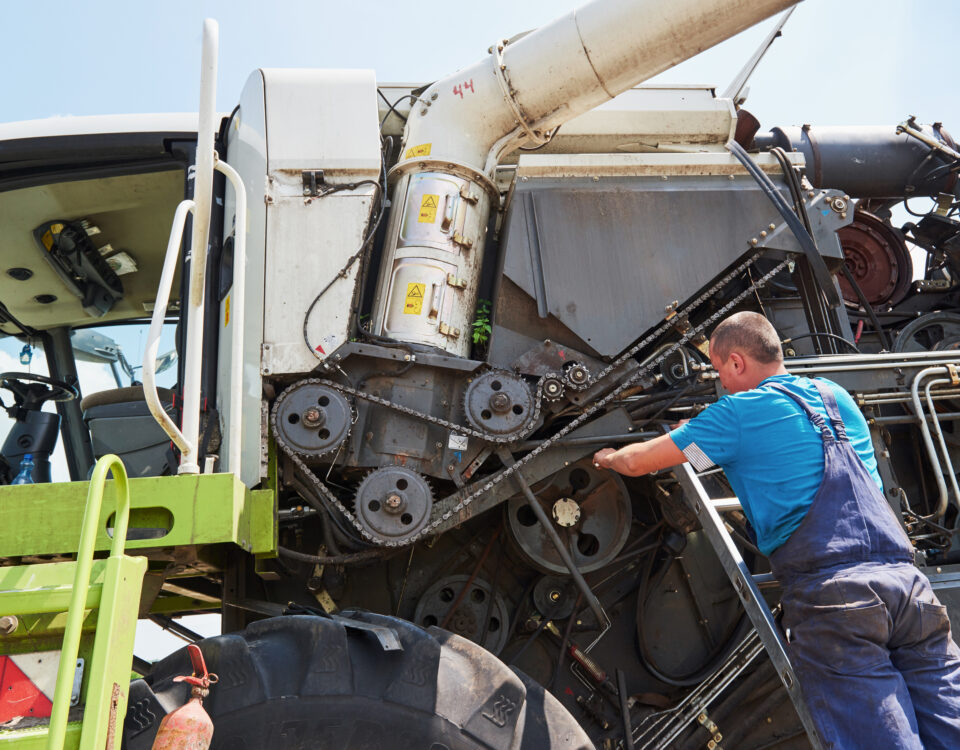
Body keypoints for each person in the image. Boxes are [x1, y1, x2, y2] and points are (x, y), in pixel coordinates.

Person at [593, 311, 960, 749]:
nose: (720, 381)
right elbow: (745, 455)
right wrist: (697, 439)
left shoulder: (737, 413)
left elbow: (637, 462)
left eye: (718, 370)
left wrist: (608, 457)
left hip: (838, 600)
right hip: (910, 591)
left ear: (736, 362)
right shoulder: (835, 396)